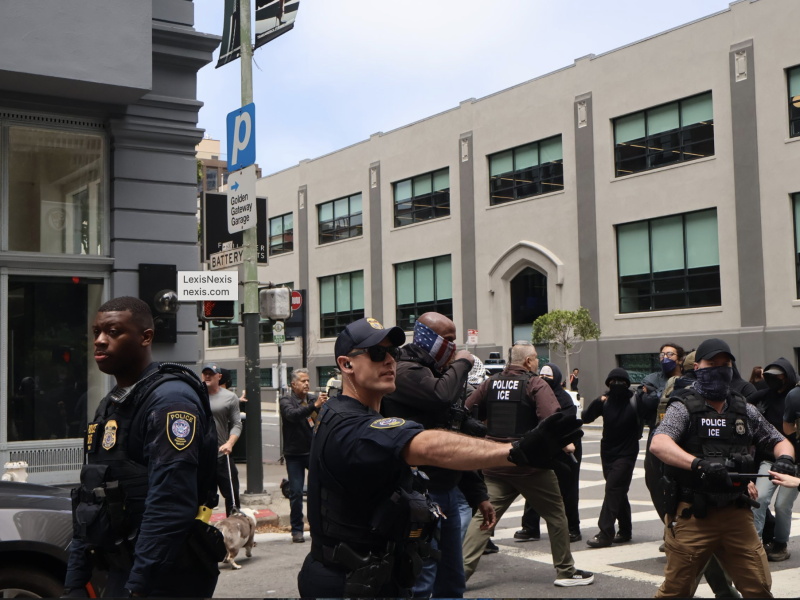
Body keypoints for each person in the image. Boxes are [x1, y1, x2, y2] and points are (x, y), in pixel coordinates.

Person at [296, 318, 583, 597]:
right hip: (345, 582)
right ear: (347, 364)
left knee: (450, 580)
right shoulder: (348, 423)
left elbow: (444, 438)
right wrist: (514, 452)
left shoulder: (359, 412)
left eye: (393, 352)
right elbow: (427, 445)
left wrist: (477, 492)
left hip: (373, 574)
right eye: (377, 353)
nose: (389, 361)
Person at [64, 297, 221, 598]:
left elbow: (170, 504)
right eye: (96, 331)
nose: (99, 340)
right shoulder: (113, 403)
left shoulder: (170, 401)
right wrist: (74, 582)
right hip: (126, 571)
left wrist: (137, 588)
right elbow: (90, 496)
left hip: (163, 578)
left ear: (145, 337)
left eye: (113, 332)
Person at [650, 338, 796, 598]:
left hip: (735, 512)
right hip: (694, 513)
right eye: (711, 363)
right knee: (676, 591)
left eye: (725, 364)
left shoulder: (743, 409)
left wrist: (785, 458)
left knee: (758, 588)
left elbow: (779, 440)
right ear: (698, 366)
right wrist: (698, 464)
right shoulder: (683, 405)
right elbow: (659, 444)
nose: (718, 368)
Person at [381, 313, 495, 598]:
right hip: (419, 494)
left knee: (452, 580)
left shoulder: (437, 373)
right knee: (422, 577)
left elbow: (453, 441)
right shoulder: (406, 370)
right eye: (449, 340)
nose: (454, 347)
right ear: (427, 338)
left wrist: (478, 494)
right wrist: (463, 362)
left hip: (447, 490)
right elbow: (440, 396)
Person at [462, 342, 594, 587]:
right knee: (556, 516)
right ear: (527, 361)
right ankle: (565, 571)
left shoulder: (490, 383)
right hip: (530, 466)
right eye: (535, 359)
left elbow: (466, 412)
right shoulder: (535, 384)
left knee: (484, 518)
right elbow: (551, 421)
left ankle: (459, 576)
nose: (537, 363)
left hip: (494, 462)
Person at [515, 363, 583, 542]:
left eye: (549, 377)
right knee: (534, 484)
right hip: (542, 445)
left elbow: (567, 422)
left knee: (568, 489)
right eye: (542, 376)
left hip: (567, 447)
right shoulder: (536, 396)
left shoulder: (565, 399)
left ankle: (573, 528)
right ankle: (530, 527)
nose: (544, 380)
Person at [582, 368, 643, 547]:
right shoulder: (605, 402)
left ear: (627, 384)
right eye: (613, 381)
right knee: (618, 490)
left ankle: (605, 532)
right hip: (608, 453)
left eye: (621, 381)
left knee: (613, 488)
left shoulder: (635, 401)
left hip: (627, 453)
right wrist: (596, 402)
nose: (616, 384)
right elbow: (585, 418)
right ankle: (625, 530)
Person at [747, 358, 799, 561]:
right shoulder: (763, 397)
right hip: (769, 460)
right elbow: (740, 401)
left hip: (795, 464)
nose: (774, 380)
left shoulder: (795, 396)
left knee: (782, 505)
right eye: (769, 376)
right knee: (758, 499)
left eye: (778, 376)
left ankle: (780, 543)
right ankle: (754, 544)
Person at [280, 368, 327, 543]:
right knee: (296, 493)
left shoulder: (314, 400)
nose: (307, 383)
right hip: (294, 454)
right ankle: (297, 530)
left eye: (308, 381)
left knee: (318, 490)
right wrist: (313, 407)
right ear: (293, 384)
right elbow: (292, 415)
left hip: (313, 452)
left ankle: (318, 527)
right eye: (303, 381)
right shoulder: (287, 400)